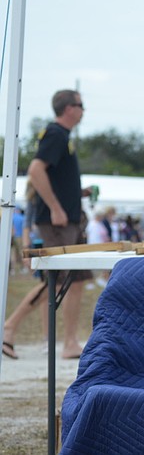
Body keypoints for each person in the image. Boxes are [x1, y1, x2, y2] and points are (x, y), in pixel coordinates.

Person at [3, 89, 93, 360]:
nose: (83, 110)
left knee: (74, 281)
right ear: (68, 108)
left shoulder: (62, 137)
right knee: (54, 281)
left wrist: (77, 194)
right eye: (80, 104)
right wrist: (55, 207)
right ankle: (8, 328)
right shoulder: (55, 134)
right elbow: (35, 170)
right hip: (57, 222)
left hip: (66, 221)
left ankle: (69, 343)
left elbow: (53, 177)